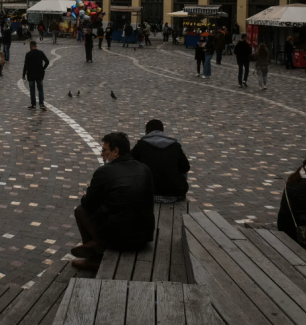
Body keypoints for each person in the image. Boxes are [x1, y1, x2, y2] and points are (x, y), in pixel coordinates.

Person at [70, 132, 155, 272]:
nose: (101, 154)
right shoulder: (144, 169)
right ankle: (94, 244)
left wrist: (87, 196)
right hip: (144, 236)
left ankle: (95, 256)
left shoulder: (104, 172)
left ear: (115, 152)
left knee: (80, 210)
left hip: (119, 239)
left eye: (104, 150)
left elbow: (88, 204)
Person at [131, 120, 190, 202]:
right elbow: (186, 167)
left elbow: (129, 163)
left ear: (147, 132)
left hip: (147, 195)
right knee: (182, 168)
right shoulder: (175, 146)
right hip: (174, 194)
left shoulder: (141, 144)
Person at [22, 41, 49, 110]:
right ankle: (41, 104)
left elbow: (26, 65)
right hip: (39, 74)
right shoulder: (40, 53)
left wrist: (23, 74)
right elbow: (47, 61)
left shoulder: (28, 54)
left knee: (32, 89)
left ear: (30, 46)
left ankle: (33, 104)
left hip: (31, 74)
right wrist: (43, 69)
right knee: (40, 89)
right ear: (36, 45)